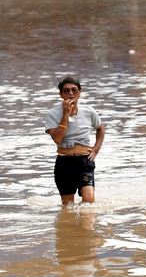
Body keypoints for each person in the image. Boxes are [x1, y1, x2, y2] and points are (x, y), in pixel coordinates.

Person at [44, 76, 106, 206]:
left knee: (88, 203)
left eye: (74, 90)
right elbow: (57, 138)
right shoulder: (52, 114)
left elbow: (100, 129)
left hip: (85, 162)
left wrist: (96, 149)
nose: (71, 93)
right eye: (66, 91)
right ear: (61, 94)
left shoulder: (89, 111)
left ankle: (86, 226)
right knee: (67, 207)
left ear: (79, 92)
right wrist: (66, 114)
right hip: (64, 163)